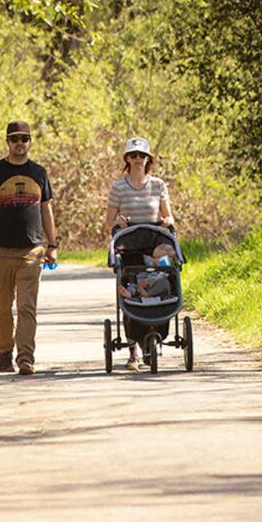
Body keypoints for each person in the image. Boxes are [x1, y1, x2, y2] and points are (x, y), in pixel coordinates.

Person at [0, 121, 59, 375]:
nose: (20, 143)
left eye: (25, 138)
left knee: (26, 306)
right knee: (1, 306)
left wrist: (52, 244)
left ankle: (25, 358)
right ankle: (5, 352)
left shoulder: (39, 172)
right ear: (7, 142)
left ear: (30, 141)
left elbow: (46, 209)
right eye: (15, 139)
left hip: (32, 251)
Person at [103, 136, 175, 370]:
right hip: (129, 240)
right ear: (127, 158)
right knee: (130, 284)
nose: (137, 159)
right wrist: (118, 223)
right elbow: (108, 222)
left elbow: (169, 216)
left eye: (141, 155)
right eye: (133, 155)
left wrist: (166, 221)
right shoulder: (118, 187)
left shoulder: (158, 185)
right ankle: (133, 349)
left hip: (153, 237)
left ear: (148, 159)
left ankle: (154, 335)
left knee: (166, 263)